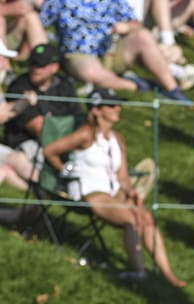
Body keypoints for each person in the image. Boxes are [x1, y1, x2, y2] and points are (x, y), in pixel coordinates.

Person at [42, 88, 186, 287]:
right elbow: (50, 151)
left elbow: (122, 176)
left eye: (118, 104)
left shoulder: (117, 138)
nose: (118, 108)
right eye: (111, 105)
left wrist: (130, 191)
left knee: (146, 218)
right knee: (132, 219)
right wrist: (65, 171)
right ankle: (139, 272)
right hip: (90, 192)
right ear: (96, 110)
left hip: (113, 191)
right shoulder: (85, 134)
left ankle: (168, 274)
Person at [38, 0, 189, 101]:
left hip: (112, 49)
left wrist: (127, 27)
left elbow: (136, 23)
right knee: (91, 72)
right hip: (79, 53)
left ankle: (172, 89)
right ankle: (139, 85)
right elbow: (39, 23)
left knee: (143, 35)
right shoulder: (59, 1)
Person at [3, 43, 82, 164]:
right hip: (30, 143)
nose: (35, 69)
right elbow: (39, 128)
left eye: (41, 65)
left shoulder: (65, 85)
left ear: (54, 67)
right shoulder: (19, 86)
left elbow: (79, 119)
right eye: (32, 63)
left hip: (64, 142)